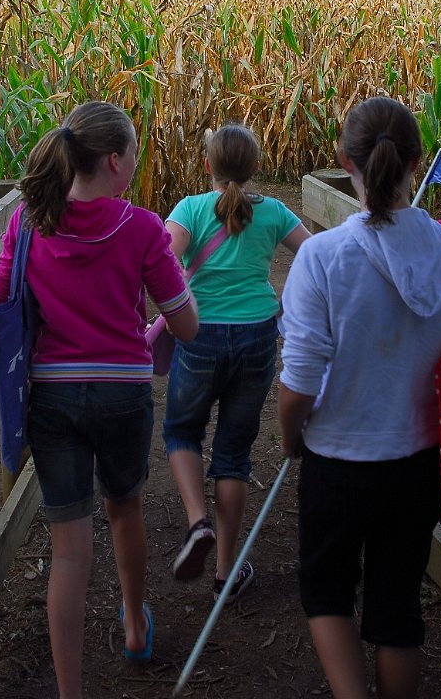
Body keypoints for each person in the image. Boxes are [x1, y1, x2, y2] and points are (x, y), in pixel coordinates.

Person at [0, 100, 198, 699]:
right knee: (125, 508)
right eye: (133, 153)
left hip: (52, 400)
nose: (135, 162)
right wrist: (171, 303)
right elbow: (186, 327)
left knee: (69, 553)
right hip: (123, 396)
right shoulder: (142, 227)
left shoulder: (29, 222)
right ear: (113, 160)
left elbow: (1, 299)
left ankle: (69, 692)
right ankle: (134, 624)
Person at [276, 97, 441, 699]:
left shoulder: (322, 257)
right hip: (418, 462)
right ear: (416, 161)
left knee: (327, 594)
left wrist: (291, 439)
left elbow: (298, 382)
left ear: (345, 161)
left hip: (337, 461)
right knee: (398, 606)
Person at [162, 124, 311, 601]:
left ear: (208, 164)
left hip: (200, 333)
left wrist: (179, 305)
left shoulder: (190, 209)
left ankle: (197, 522)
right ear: (254, 167)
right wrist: (290, 302)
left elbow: (162, 262)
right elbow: (316, 255)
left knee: (181, 431)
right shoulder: (275, 212)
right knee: (233, 452)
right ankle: (226, 573)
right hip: (257, 334)